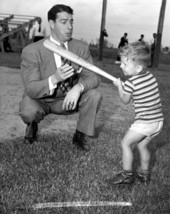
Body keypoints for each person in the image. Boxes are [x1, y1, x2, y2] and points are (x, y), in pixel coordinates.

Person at [19, 4, 102, 151]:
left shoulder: (80, 47)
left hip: (69, 99)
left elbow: (94, 78)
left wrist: (78, 88)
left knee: (94, 94)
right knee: (28, 109)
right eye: (63, 22)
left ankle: (79, 136)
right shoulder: (32, 51)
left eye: (71, 21)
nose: (69, 26)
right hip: (42, 100)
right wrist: (54, 79)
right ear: (51, 24)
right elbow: (31, 89)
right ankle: (32, 127)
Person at [108, 41, 164, 185]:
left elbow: (125, 100)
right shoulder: (151, 77)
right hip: (157, 122)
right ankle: (144, 175)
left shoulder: (131, 83)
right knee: (141, 145)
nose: (121, 66)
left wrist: (120, 86)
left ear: (138, 67)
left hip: (145, 122)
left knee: (125, 143)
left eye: (125, 64)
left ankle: (126, 175)